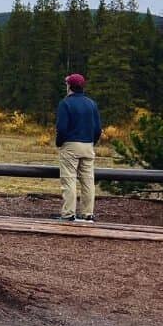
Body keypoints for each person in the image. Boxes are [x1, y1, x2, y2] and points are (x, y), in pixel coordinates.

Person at [55, 73, 102, 222]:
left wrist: (59, 142)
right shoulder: (91, 104)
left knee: (69, 180)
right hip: (88, 145)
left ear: (69, 86)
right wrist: (91, 142)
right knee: (88, 180)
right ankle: (88, 213)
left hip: (70, 145)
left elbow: (61, 128)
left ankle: (68, 213)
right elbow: (98, 129)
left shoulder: (65, 103)